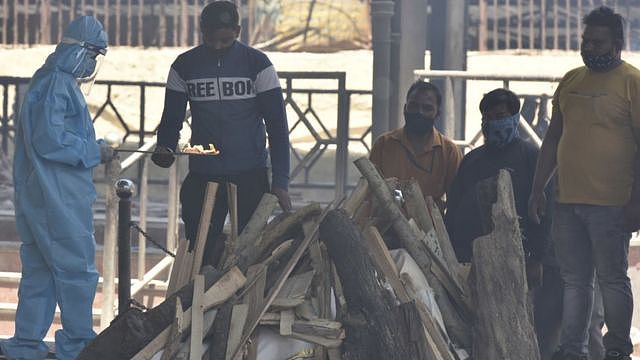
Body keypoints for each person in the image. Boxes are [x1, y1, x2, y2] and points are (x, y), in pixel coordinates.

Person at [529, 6, 640, 360]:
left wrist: (637, 201)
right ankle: (572, 351)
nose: (590, 48)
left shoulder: (632, 82)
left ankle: (617, 351)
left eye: (598, 42)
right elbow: (552, 139)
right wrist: (537, 190)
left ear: (618, 44)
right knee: (575, 281)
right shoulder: (571, 80)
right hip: (567, 201)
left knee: (612, 280)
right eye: (586, 41)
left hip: (612, 204)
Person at [0, 16, 112, 360]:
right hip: (57, 199)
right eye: (91, 56)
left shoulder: (47, 81)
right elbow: (50, 140)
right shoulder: (57, 85)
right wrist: (96, 150)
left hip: (42, 196)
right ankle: (80, 344)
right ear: (79, 50)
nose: (92, 64)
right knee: (76, 270)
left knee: (41, 274)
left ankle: (26, 344)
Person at [152, 1, 290, 267]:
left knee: (250, 253)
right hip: (204, 175)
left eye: (225, 40)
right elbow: (171, 119)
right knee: (199, 251)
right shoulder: (184, 66)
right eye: (210, 39)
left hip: (250, 174)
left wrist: (280, 181)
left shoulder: (258, 64)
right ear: (201, 30)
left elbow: (277, 125)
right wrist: (165, 147)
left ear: (238, 31)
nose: (216, 46)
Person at [444, 88, 548, 287]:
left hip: (520, 257)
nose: (494, 122)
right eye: (488, 117)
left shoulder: (532, 158)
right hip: (474, 258)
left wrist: (537, 259)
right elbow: (454, 210)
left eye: (500, 116)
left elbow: (545, 213)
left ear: (515, 117)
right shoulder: (472, 161)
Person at [369, 81, 462, 209]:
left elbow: (456, 201)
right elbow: (369, 194)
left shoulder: (449, 151)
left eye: (427, 108)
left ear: (437, 114)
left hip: (431, 227)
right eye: (414, 106)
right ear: (404, 108)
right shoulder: (384, 144)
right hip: (387, 225)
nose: (419, 112)